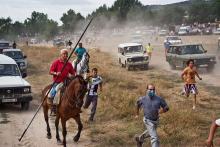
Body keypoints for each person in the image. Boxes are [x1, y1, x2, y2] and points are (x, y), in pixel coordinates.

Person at [48, 49, 75, 115]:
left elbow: (73, 72)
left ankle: (73, 106)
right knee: (53, 93)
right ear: (61, 54)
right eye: (64, 54)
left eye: (66, 54)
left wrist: (73, 75)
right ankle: (54, 107)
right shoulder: (56, 62)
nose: (65, 55)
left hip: (66, 81)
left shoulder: (69, 64)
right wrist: (56, 73)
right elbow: (50, 72)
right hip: (57, 82)